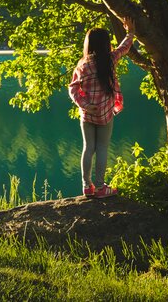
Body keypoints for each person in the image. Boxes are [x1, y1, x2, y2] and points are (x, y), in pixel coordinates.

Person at [68, 18, 135, 199]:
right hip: (105, 113)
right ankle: (100, 187)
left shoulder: (82, 64)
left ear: (88, 44)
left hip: (87, 113)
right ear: (106, 44)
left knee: (88, 147)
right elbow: (124, 48)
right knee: (102, 147)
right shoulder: (110, 60)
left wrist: (85, 104)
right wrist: (130, 31)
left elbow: (72, 88)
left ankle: (86, 187)